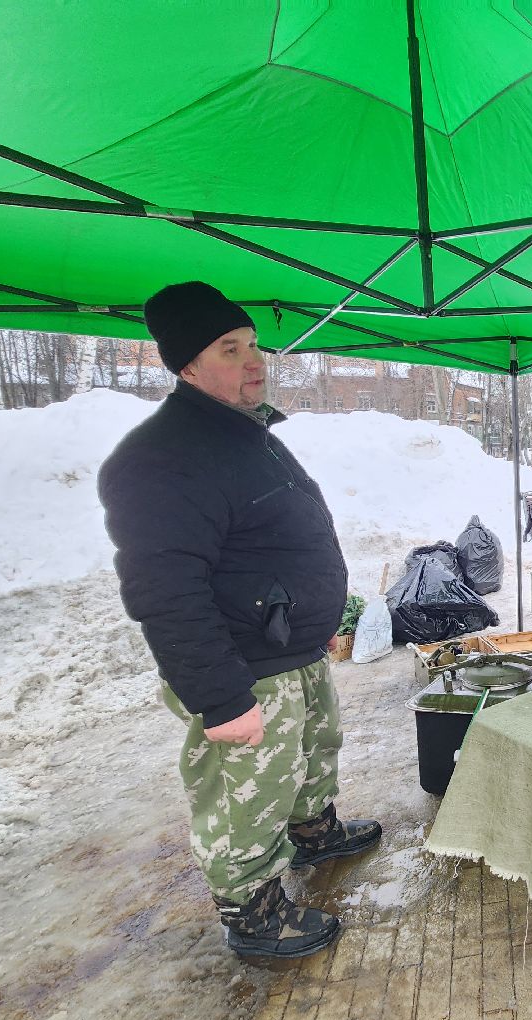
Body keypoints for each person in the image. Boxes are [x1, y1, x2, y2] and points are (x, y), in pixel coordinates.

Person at [98, 281, 382, 960]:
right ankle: (251, 909)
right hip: (244, 665)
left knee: (311, 755)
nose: (255, 360)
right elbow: (165, 590)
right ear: (186, 365)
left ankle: (315, 831)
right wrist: (220, 698)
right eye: (231, 349)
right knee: (247, 794)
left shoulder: (246, 433)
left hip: (291, 648)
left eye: (254, 344)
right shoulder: (163, 456)